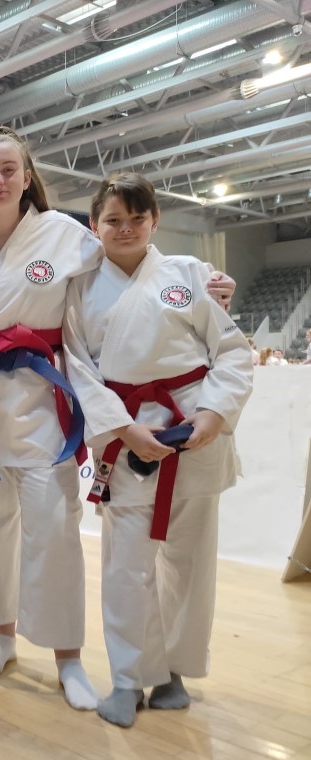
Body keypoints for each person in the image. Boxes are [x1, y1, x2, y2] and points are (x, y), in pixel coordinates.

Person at [0, 126, 238, 710]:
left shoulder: (68, 236)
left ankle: (67, 656)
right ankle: (2, 635)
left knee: (54, 525)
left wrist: (209, 280)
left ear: (27, 176)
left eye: (8, 169)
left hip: (42, 396)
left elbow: (137, 263)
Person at [63, 172, 253, 728]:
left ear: (155, 221)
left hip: (193, 429)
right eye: (113, 220)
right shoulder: (79, 287)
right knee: (126, 566)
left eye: (136, 219)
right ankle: (128, 677)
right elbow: (77, 368)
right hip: (127, 438)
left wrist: (214, 413)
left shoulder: (189, 274)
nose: (125, 229)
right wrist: (123, 430)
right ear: (94, 224)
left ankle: (172, 671)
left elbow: (232, 351)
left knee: (189, 563)